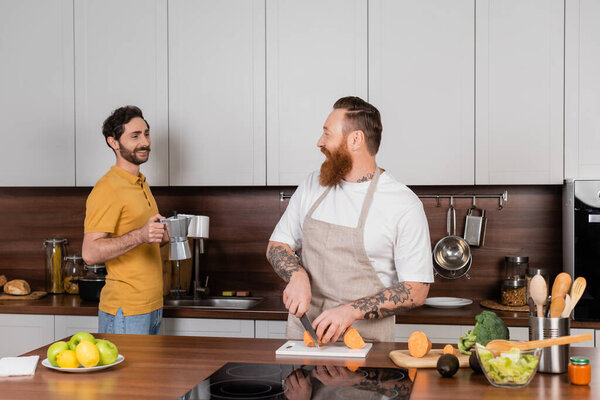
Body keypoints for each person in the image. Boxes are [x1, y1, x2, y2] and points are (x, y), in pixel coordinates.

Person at [267, 96, 434, 343]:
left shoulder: (402, 203)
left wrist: (350, 311)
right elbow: (277, 245)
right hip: (304, 339)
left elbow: (417, 290)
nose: (319, 142)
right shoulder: (312, 185)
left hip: (366, 346)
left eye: (327, 134)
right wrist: (296, 275)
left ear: (355, 139)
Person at [82, 105, 168, 335]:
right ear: (114, 142)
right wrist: (140, 234)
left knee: (149, 374)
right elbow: (89, 253)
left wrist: (161, 236)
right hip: (125, 311)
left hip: (151, 306)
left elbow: (142, 238)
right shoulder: (108, 188)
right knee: (124, 373)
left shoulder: (140, 182)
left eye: (146, 134)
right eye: (135, 136)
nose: (145, 142)